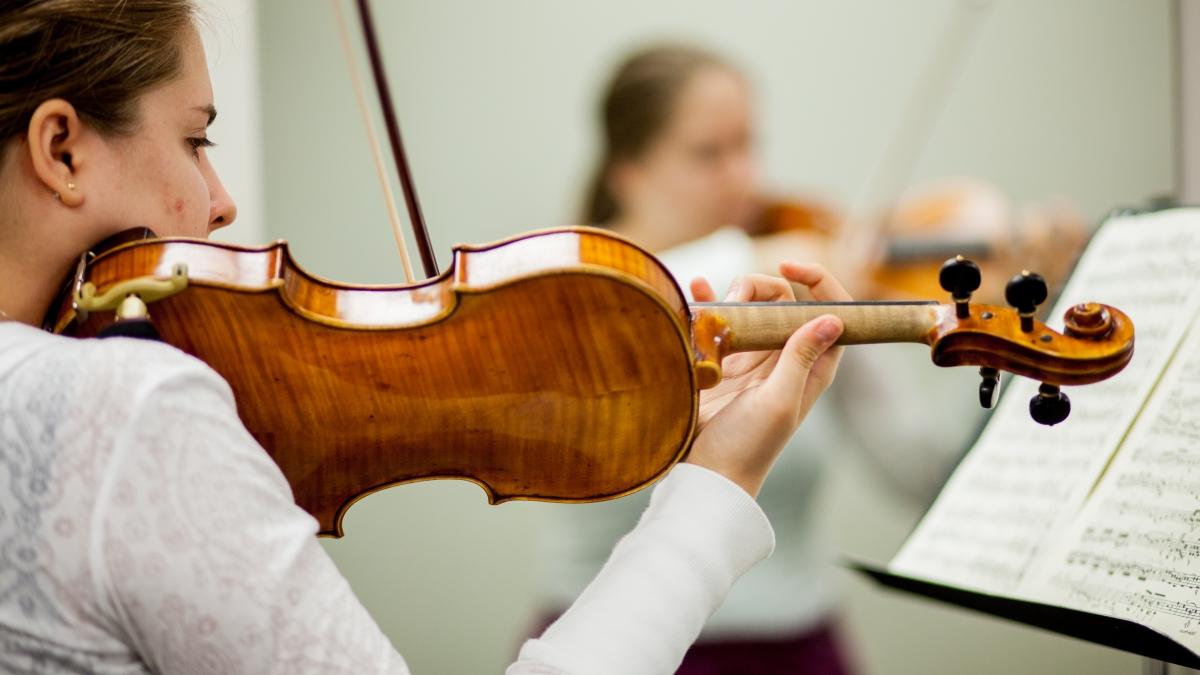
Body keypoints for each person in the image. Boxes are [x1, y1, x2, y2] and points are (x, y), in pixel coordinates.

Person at [0, 3, 851, 674]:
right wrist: (714, 485)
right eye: (195, 139)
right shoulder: (122, 409)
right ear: (62, 149)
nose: (220, 201)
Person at [539, 44, 1007, 675]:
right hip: (619, 651)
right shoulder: (575, 292)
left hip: (797, 648)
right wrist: (750, 253)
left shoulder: (794, 289)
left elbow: (923, 472)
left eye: (748, 146)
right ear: (628, 171)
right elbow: (629, 312)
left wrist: (997, 340)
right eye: (709, 154)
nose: (745, 180)